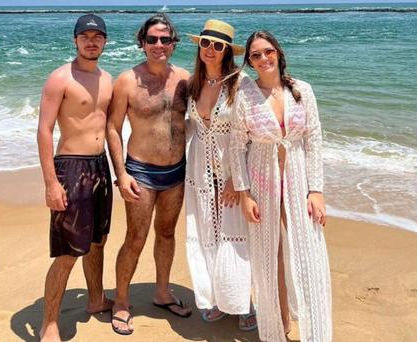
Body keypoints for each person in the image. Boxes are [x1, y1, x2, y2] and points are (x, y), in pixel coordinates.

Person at [230, 30, 332, 342]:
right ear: (249, 61)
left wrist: (316, 189)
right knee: (269, 255)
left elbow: (313, 140)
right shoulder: (245, 96)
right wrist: (245, 194)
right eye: (255, 55)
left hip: (299, 178)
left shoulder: (302, 90)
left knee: (308, 253)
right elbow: (236, 147)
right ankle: (278, 328)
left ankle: (316, 332)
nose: (263, 59)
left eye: (267, 51)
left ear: (278, 52)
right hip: (263, 178)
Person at [106, 13, 191, 336]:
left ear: (173, 43)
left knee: (167, 234)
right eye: (152, 39)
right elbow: (113, 129)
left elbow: (206, 116)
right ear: (142, 43)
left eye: (165, 39)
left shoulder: (184, 78)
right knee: (136, 237)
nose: (159, 45)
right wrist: (121, 173)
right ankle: (122, 302)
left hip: (177, 171)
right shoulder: (127, 80)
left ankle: (162, 292)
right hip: (140, 172)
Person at [36, 14, 114, 342]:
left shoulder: (108, 79)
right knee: (68, 251)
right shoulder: (60, 78)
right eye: (85, 36)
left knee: (98, 241)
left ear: (105, 41)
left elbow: (110, 127)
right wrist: (51, 183)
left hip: (100, 166)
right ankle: (49, 323)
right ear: (75, 40)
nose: (91, 41)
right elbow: (44, 130)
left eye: (97, 36)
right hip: (71, 167)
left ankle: (95, 300)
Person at [184, 19, 256, 331]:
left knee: (235, 238)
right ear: (199, 46)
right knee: (207, 235)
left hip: (231, 174)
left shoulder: (241, 83)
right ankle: (220, 299)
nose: (210, 50)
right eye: (205, 43)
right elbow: (191, 128)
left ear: (227, 50)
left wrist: (235, 180)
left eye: (218, 45)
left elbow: (251, 134)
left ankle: (245, 304)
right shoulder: (194, 83)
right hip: (200, 173)